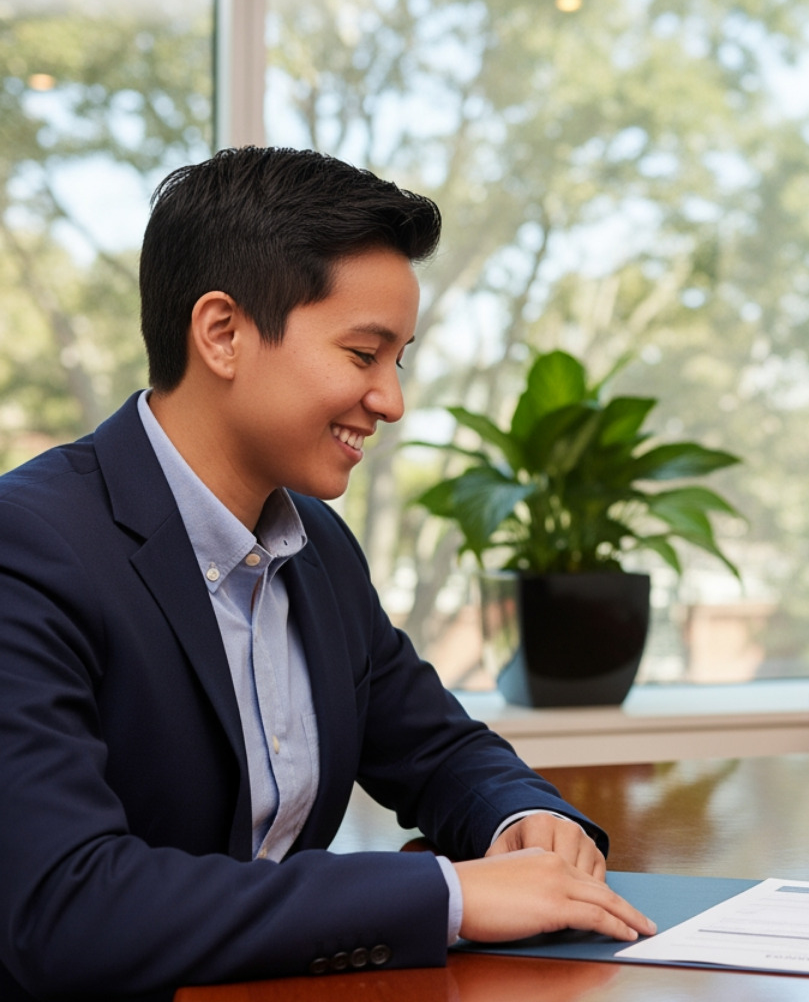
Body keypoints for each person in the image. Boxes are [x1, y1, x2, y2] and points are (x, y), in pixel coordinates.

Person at [0, 147, 653, 1001]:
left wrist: (524, 818)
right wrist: (449, 896)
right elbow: (67, 907)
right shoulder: (29, 548)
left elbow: (440, 749)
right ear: (223, 333)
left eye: (399, 360)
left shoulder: (317, 547)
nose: (391, 400)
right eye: (363, 354)